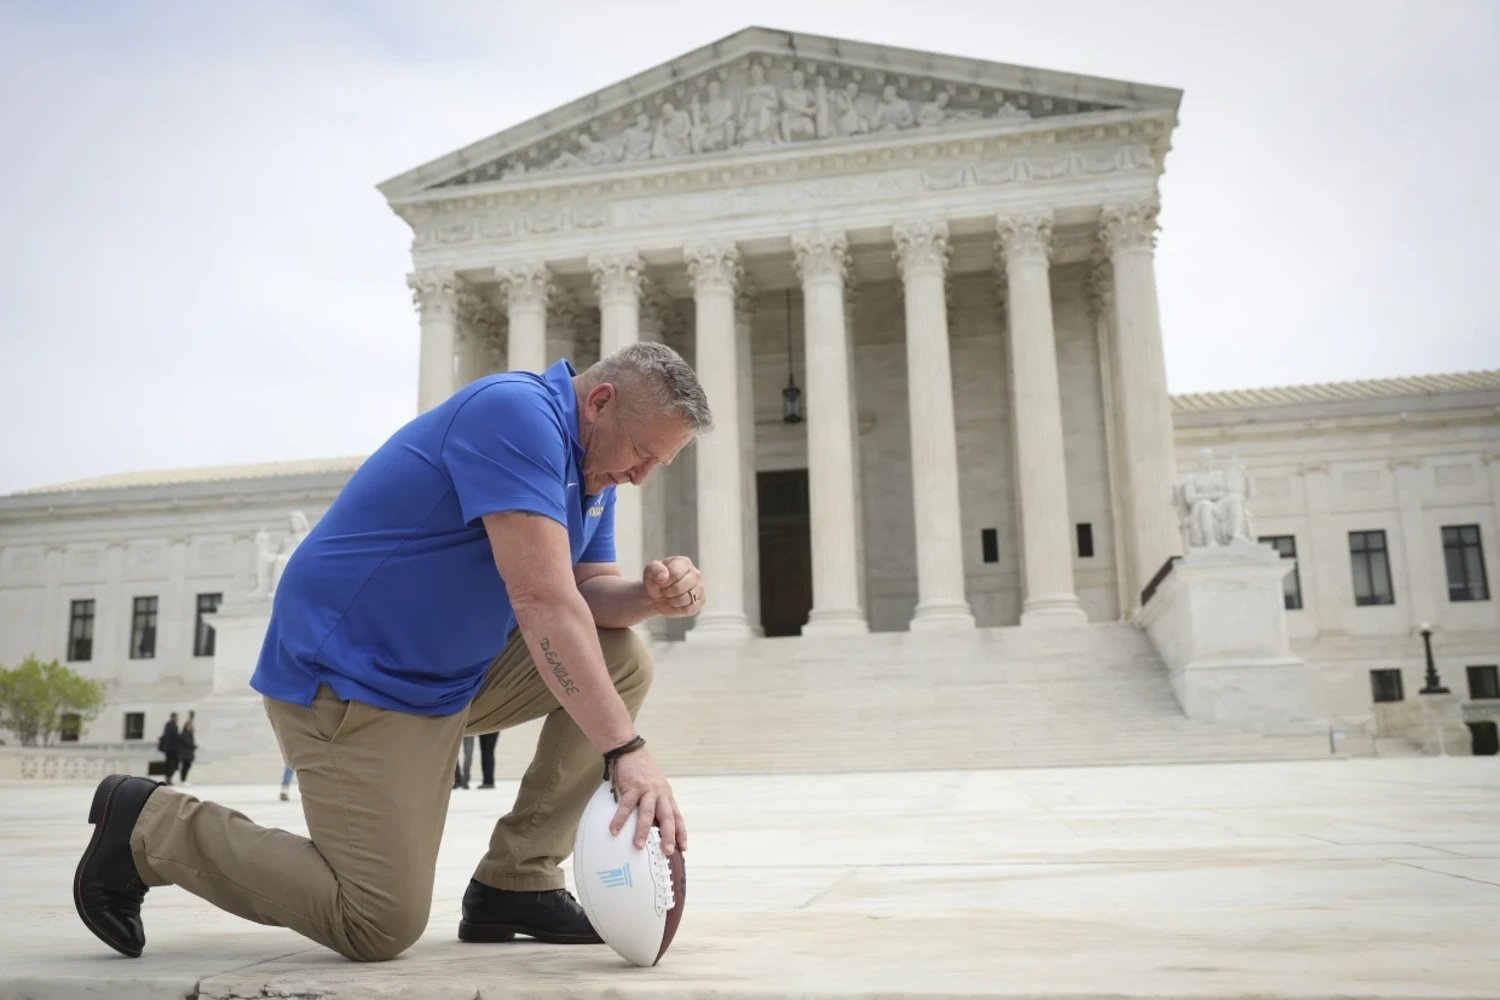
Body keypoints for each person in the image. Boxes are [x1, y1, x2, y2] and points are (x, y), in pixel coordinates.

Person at [74, 343, 710, 962]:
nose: (640, 475)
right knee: (376, 921)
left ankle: (518, 879)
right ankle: (149, 825)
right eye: (641, 454)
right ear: (599, 401)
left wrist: (649, 597)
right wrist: (625, 750)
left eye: (659, 465)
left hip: (444, 678)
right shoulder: (516, 415)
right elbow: (542, 600)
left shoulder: (593, 468)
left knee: (623, 656)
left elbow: (588, 593)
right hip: (351, 682)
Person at [155, 713, 179, 786]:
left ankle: (169, 778)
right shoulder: (170, 725)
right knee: (170, 763)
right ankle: (168, 778)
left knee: (171, 763)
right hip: (170, 749)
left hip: (171, 748)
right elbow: (171, 737)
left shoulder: (172, 725)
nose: (176, 718)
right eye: (175, 717)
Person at [174, 718, 196, 786]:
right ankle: (183, 780)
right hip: (185, 753)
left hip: (188, 753)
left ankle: (184, 779)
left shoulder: (190, 733)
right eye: (189, 726)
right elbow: (187, 742)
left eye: (191, 726)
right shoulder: (184, 733)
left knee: (187, 766)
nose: (190, 727)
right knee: (185, 766)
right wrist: (193, 746)